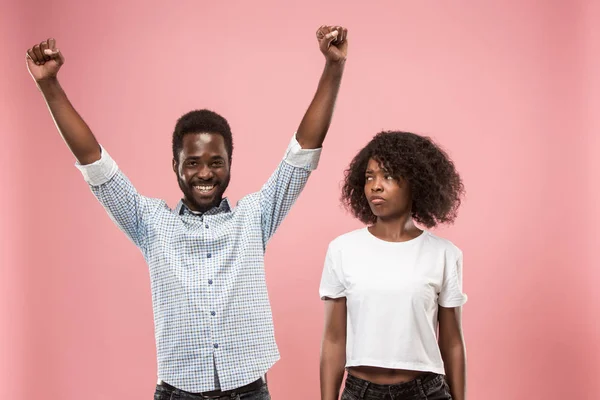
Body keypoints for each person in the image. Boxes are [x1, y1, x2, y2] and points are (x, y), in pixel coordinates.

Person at [26, 24, 348, 399]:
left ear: (230, 164)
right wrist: (49, 86)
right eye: (192, 163)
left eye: (216, 162)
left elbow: (302, 152)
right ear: (175, 166)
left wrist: (333, 67)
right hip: (178, 392)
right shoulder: (149, 221)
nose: (205, 173)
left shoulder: (254, 217)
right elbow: (95, 163)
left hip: (249, 392)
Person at [319, 131, 467, 400]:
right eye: (369, 177)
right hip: (360, 392)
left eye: (387, 176)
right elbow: (333, 339)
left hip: (426, 392)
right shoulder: (342, 250)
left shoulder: (444, 254)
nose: (375, 186)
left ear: (416, 183)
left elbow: (452, 341)